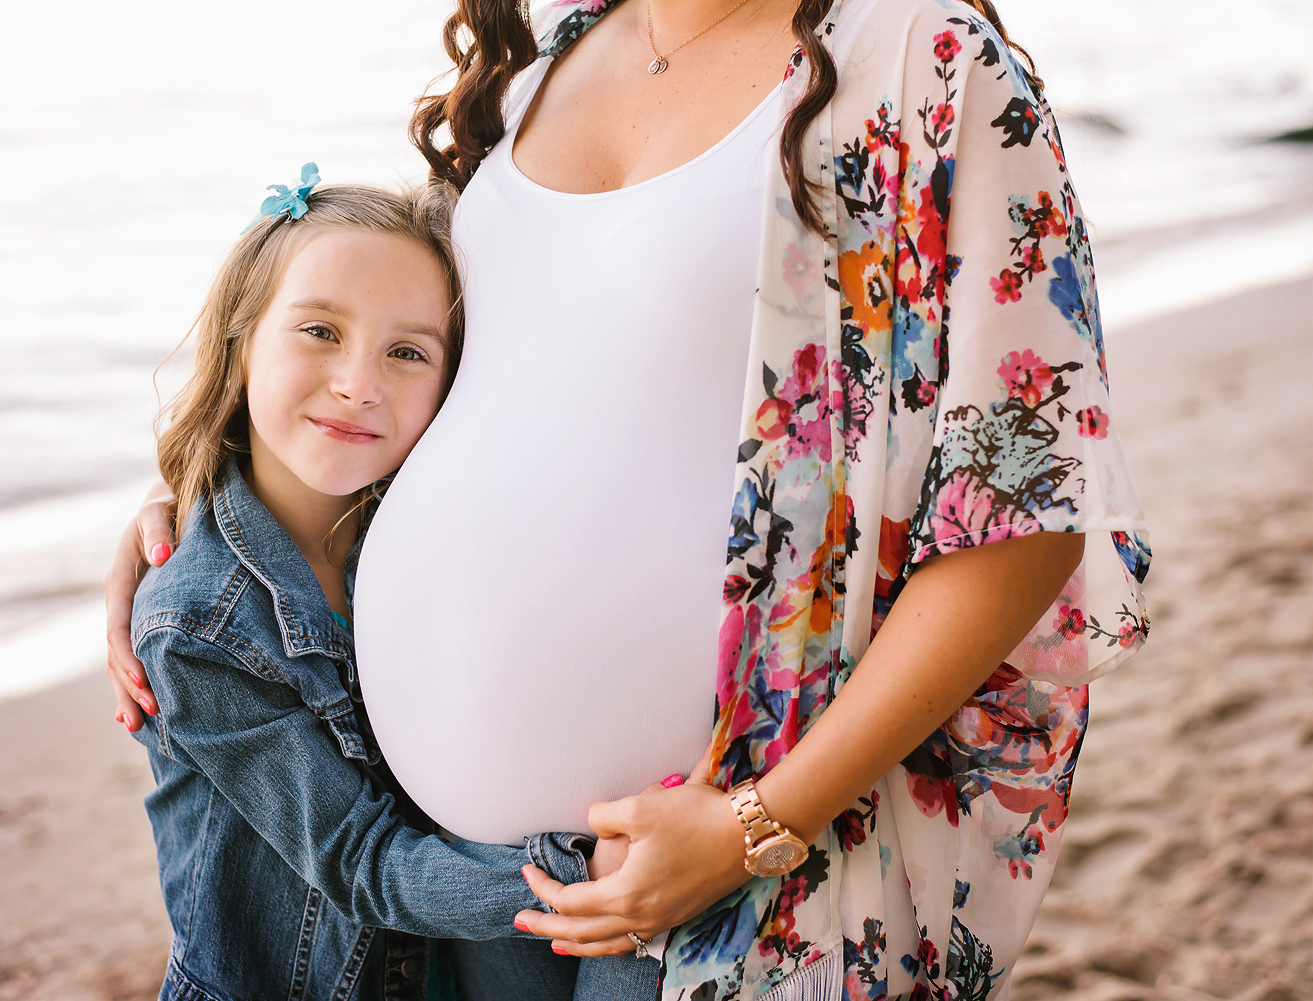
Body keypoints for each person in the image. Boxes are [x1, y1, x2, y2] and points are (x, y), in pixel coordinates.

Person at [107, 0, 1153, 997]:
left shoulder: (925, 56)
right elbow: (428, 339)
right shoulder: (548, 52)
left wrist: (756, 821)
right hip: (457, 880)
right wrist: (210, 485)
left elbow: (1024, 506)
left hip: (728, 841)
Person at [119, 175, 650, 1001]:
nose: (359, 383)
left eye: (407, 352)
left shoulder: (421, 532)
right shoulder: (198, 626)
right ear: (240, 342)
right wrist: (576, 868)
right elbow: (358, 861)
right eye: (321, 331)